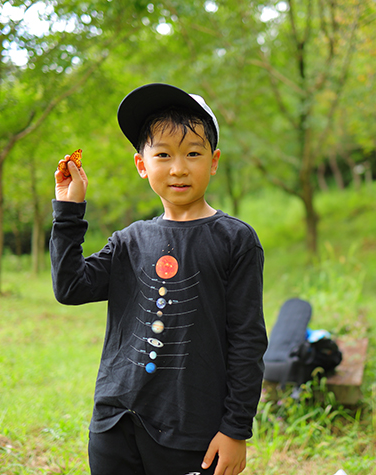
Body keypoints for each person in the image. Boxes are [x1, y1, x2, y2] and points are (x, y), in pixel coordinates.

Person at [49, 83, 267, 475]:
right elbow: (70, 287)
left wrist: (235, 429)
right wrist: (69, 209)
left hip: (193, 435)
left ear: (213, 161)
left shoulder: (236, 240)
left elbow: (247, 341)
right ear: (142, 164)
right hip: (116, 424)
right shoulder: (130, 241)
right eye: (163, 154)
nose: (178, 167)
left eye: (193, 154)